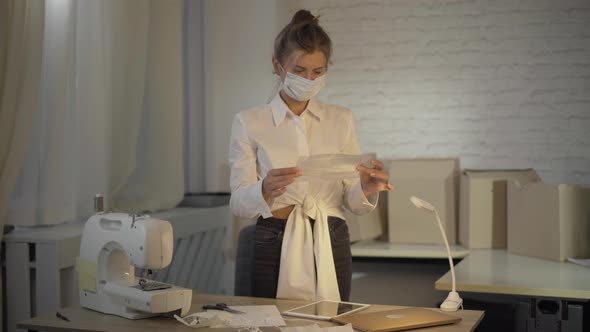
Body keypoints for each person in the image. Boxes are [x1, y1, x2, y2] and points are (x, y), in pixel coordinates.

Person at [228, 9, 393, 302]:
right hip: (272, 237)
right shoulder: (249, 121)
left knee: (331, 322)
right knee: (268, 321)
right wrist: (264, 189)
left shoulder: (341, 119)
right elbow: (239, 203)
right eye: (299, 71)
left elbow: (352, 201)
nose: (309, 79)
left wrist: (366, 188)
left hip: (331, 236)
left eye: (318, 72)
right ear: (277, 66)